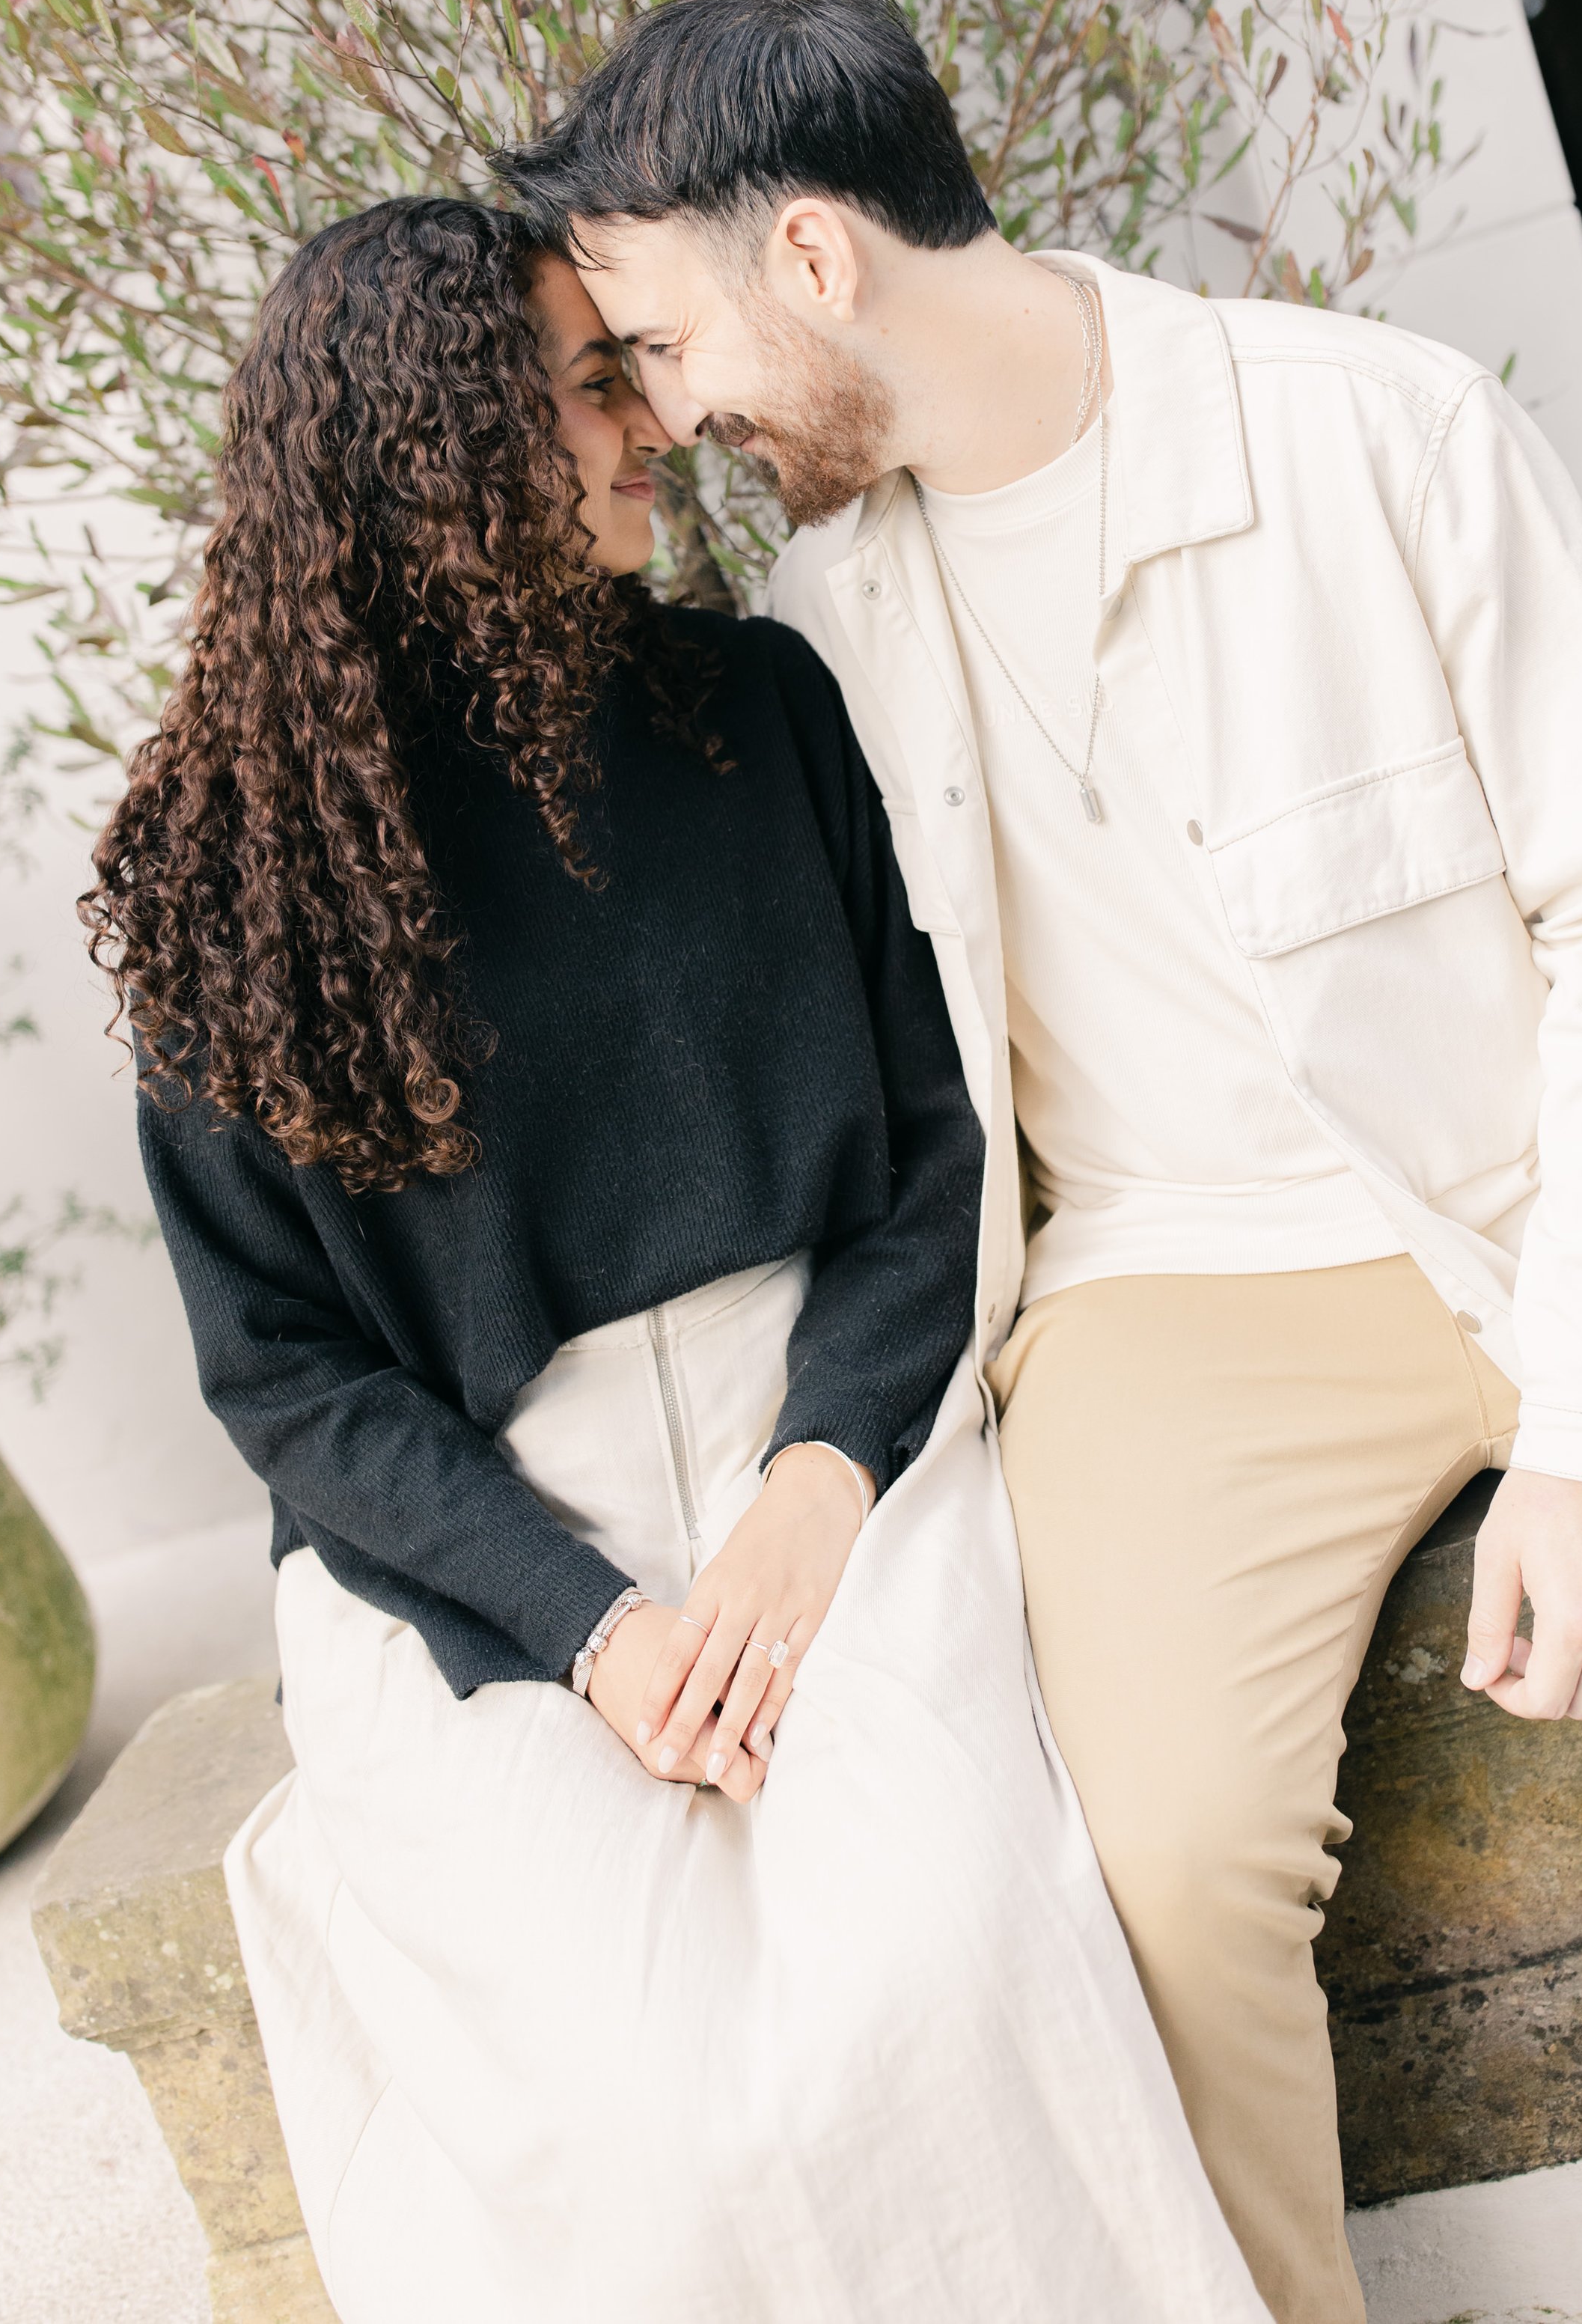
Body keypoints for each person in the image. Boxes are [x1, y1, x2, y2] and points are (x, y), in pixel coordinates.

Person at [494, 0, 1582, 2324]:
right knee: (1144, 1873)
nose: (670, 420)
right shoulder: (818, 622)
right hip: (1170, 1297)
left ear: (816, 259)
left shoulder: (1376, 433)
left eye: (666, 349)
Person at [84, 198, 1268, 2324]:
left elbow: (928, 1153)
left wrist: (822, 1480)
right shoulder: (228, 879)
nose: (656, 426)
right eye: (595, 385)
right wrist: (590, 1629)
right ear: (436, 452)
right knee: (629, 2106)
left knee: (942, 1969)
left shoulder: (755, 709)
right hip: (474, 1537)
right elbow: (285, 1381)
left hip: (824, 1433)